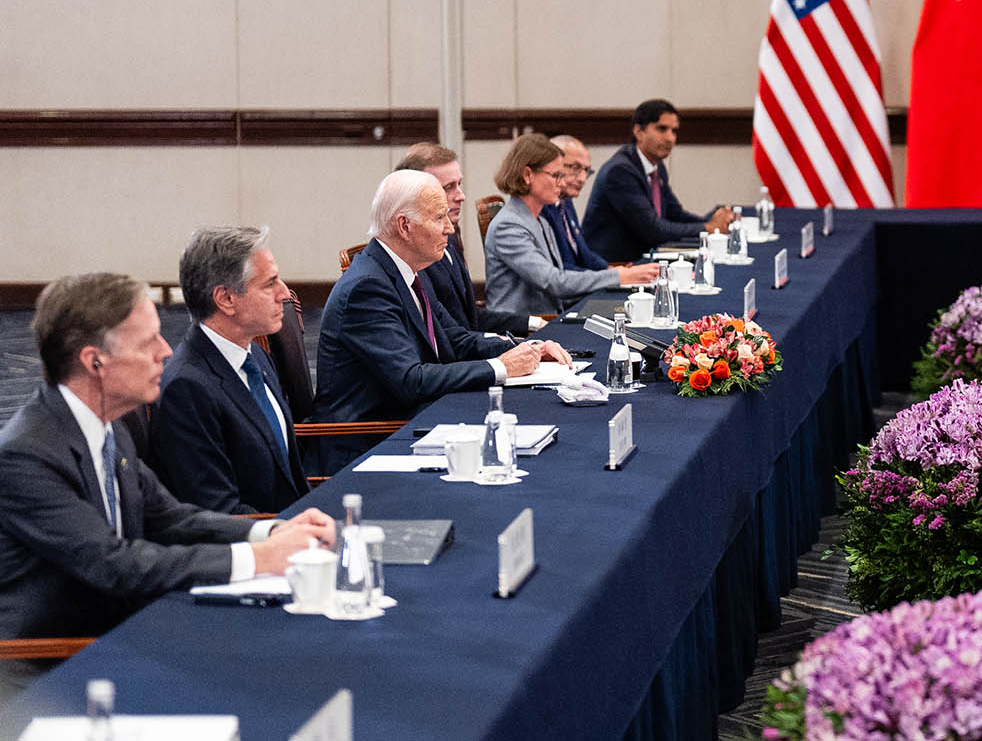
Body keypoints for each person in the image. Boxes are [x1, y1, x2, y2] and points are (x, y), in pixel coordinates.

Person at [0, 274, 333, 675]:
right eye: (147, 343)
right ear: (94, 361)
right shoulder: (26, 455)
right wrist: (257, 558)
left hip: (121, 630)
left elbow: (171, 519)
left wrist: (272, 532)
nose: (166, 351)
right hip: (51, 665)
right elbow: (114, 563)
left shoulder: (107, 425)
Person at [313, 171, 571, 466]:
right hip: (369, 444)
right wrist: (501, 367)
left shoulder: (408, 271)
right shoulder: (367, 287)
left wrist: (528, 350)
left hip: (412, 420)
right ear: (404, 226)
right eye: (439, 218)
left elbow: (456, 339)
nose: (449, 228)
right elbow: (411, 380)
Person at [147, 227, 310, 516]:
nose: (284, 293)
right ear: (226, 299)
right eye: (270, 283)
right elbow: (215, 511)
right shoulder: (186, 388)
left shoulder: (254, 354)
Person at [486, 134, 659, 317]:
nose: (561, 183)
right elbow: (553, 282)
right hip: (525, 330)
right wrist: (618, 277)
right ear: (528, 175)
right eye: (555, 176)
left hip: (553, 316)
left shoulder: (540, 221)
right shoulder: (509, 226)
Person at [394, 143, 529, 337]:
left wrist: (532, 325)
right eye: (448, 188)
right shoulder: (412, 253)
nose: (461, 196)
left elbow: (469, 317)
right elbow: (443, 336)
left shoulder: (449, 235)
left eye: (459, 184)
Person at [581, 99, 735, 262]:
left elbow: (674, 214)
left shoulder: (656, 167)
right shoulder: (620, 172)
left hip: (642, 259)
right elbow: (654, 230)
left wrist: (713, 222)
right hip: (614, 266)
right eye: (662, 129)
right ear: (639, 131)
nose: (670, 138)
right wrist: (708, 228)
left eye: (674, 131)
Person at [541, 134, 612, 272]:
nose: (582, 179)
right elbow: (555, 268)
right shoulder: (540, 207)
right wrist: (606, 277)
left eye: (586, 171)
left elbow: (583, 253)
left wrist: (611, 270)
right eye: (575, 168)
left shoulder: (565, 202)